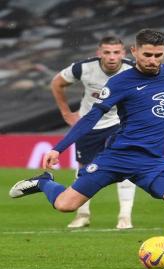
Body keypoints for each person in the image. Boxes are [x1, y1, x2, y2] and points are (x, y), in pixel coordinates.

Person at [10, 29, 164, 267]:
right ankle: (44, 182)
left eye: (158, 55)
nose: (153, 60)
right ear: (135, 51)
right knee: (66, 205)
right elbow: (91, 117)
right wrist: (58, 148)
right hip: (118, 157)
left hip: (153, 162)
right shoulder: (120, 83)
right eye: (147, 54)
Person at [50, 36, 137, 229]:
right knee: (84, 168)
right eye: (107, 52)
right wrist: (66, 113)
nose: (112, 57)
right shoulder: (83, 68)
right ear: (99, 53)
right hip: (88, 124)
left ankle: (124, 217)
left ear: (123, 53)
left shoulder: (133, 70)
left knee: (125, 165)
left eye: (116, 52)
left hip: (118, 123)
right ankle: (83, 215)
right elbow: (57, 83)